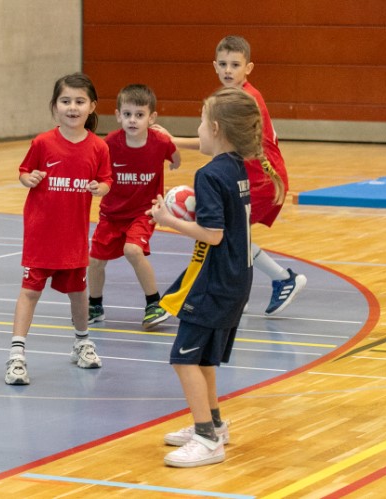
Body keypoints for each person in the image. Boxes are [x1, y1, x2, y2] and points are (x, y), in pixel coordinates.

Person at [150, 87, 275, 467]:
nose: (199, 130)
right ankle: (214, 424)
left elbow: (213, 234)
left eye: (201, 123)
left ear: (217, 128)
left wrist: (168, 220)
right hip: (236, 279)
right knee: (204, 357)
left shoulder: (209, 174)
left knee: (183, 358)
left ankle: (207, 439)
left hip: (215, 282)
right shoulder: (236, 167)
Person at [175, 35, 304, 316]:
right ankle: (270, 282)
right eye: (223, 64)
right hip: (252, 178)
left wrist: (172, 141)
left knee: (221, 233)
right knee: (232, 235)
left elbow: (212, 145)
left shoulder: (244, 99)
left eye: (235, 65)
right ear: (214, 66)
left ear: (248, 68)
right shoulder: (233, 97)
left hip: (260, 180)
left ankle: (275, 280)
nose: (228, 70)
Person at [4, 73, 112, 386]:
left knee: (78, 293)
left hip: (73, 237)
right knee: (30, 292)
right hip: (41, 236)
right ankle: (16, 355)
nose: (72, 107)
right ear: (55, 106)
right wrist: (28, 179)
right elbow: (24, 172)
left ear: (92, 106)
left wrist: (101, 188)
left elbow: (106, 180)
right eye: (65, 101)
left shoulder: (98, 147)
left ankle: (82, 343)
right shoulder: (43, 143)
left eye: (79, 101)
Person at [88, 84, 181, 330]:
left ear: (152, 118)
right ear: (118, 115)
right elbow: (98, 170)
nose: (132, 120)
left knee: (132, 250)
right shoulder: (110, 143)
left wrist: (175, 162)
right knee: (95, 260)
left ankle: (154, 304)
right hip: (111, 213)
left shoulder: (160, 142)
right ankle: (94, 305)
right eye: (127, 114)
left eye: (139, 115)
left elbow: (175, 155)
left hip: (143, 212)